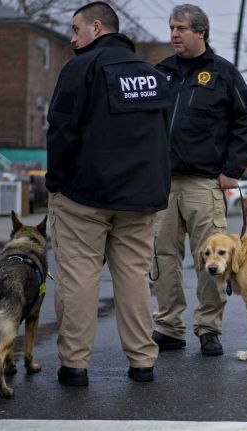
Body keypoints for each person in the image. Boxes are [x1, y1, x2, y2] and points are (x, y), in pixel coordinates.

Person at [46, 1, 170, 385]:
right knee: (133, 278)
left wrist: (57, 181)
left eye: (75, 30)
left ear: (96, 28)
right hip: (141, 197)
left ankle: (75, 365)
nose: (72, 38)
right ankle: (143, 362)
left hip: (86, 194)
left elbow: (61, 129)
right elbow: (164, 136)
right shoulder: (152, 76)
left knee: (79, 277)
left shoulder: (81, 68)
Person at [150, 4, 247, 356]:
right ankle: (169, 326)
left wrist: (231, 170)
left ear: (201, 32)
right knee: (163, 256)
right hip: (162, 182)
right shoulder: (161, 73)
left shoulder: (223, 73)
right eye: (171, 28)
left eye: (181, 28)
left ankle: (208, 329)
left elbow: (245, 121)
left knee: (211, 259)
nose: (174, 35)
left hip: (205, 183)